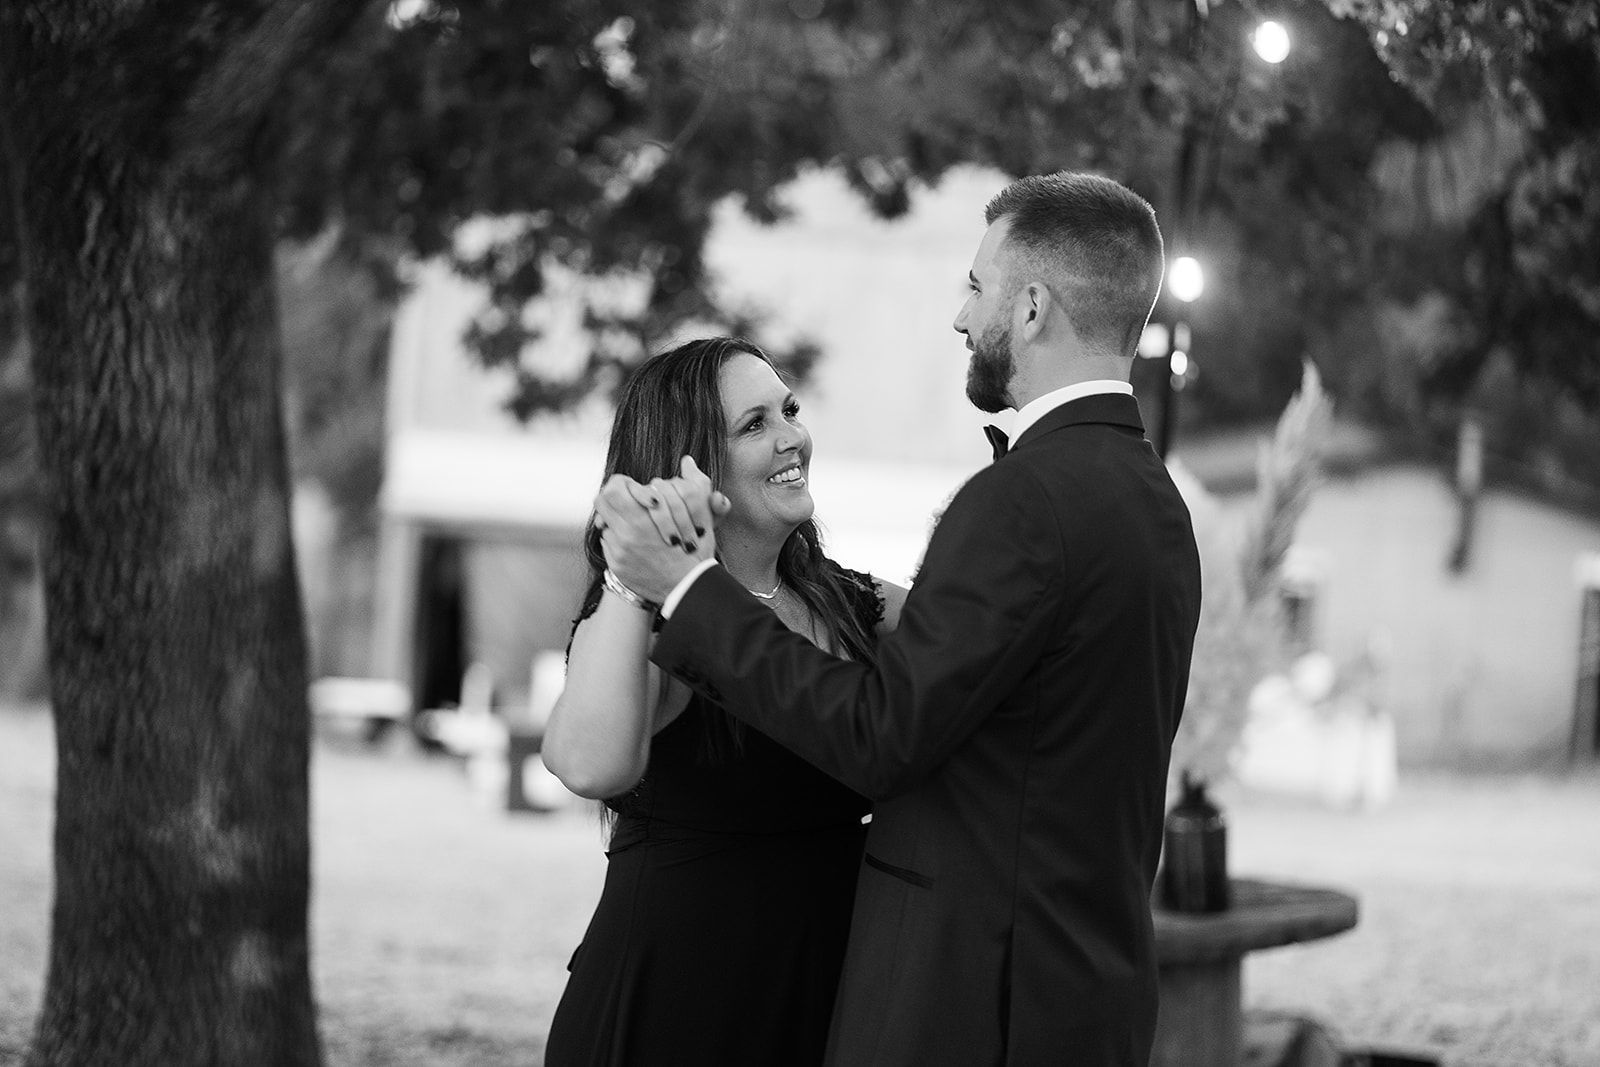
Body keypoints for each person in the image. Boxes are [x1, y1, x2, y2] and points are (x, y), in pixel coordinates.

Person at [597, 172, 1204, 1065]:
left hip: (974, 1005)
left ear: (1031, 307)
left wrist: (689, 591)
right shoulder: (1157, 505)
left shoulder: (1021, 503)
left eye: (975, 286)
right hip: (1085, 997)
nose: (962, 317)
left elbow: (881, 734)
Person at [540, 337, 909, 1066]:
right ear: (693, 464)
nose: (792, 436)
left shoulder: (857, 606)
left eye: (790, 410)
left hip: (817, 1010)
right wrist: (636, 572)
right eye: (755, 424)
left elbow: (987, 663)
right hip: (676, 1014)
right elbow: (587, 763)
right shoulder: (646, 621)